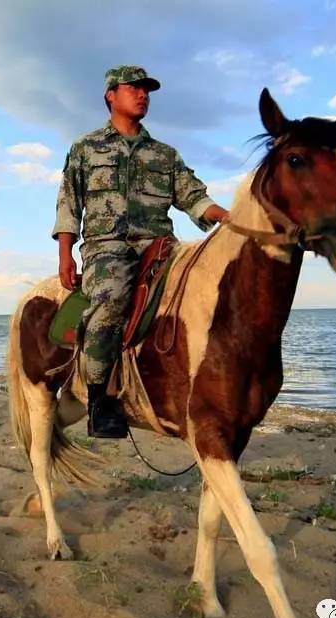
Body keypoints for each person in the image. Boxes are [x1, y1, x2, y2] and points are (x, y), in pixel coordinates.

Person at [52, 65, 229, 438]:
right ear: (110, 96)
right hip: (107, 248)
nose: (142, 94)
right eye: (133, 88)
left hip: (160, 244)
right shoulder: (86, 148)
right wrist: (66, 254)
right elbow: (69, 204)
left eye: (146, 89)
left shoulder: (165, 155)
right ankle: (100, 400)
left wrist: (229, 216)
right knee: (111, 299)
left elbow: (193, 197)